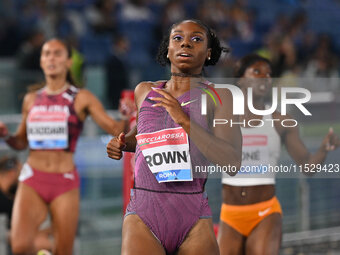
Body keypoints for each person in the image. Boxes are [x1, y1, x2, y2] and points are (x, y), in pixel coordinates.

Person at [107, 19, 242, 255]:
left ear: (208, 53)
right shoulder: (145, 91)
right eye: (177, 38)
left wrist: (185, 120)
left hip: (193, 217)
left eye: (196, 39)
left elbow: (232, 162)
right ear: (168, 50)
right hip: (144, 213)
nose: (186, 44)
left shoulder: (220, 98)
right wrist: (121, 143)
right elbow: (141, 136)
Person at [0, 38, 128, 255]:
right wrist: (6, 136)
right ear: (41, 61)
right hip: (33, 178)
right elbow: (21, 142)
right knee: (20, 246)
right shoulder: (31, 99)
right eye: (46, 53)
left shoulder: (81, 98)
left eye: (57, 53)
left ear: (68, 62)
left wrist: (126, 117)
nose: (51, 58)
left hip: (64, 181)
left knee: (63, 251)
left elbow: (114, 128)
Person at [218, 54, 340, 255]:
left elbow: (308, 167)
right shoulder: (222, 119)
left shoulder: (280, 121)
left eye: (268, 74)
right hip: (229, 215)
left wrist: (324, 148)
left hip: (265, 213)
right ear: (240, 79)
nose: (265, 77)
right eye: (257, 71)